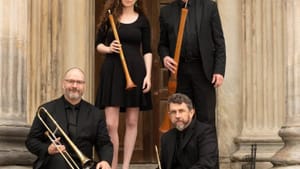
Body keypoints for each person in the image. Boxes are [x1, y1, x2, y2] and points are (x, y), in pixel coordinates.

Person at [95, 0, 152, 169]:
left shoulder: (142, 20)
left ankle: (125, 166)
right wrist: (108, 48)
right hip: (113, 71)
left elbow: (147, 50)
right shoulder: (109, 16)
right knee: (111, 123)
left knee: (132, 121)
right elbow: (98, 45)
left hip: (135, 71)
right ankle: (112, 165)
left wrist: (148, 75)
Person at [25, 67, 113, 169]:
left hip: (84, 164)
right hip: (54, 163)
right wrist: (47, 149)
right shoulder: (46, 109)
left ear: (84, 86)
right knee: (59, 161)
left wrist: (105, 161)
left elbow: (104, 143)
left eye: (79, 82)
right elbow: (31, 141)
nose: (75, 86)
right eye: (71, 81)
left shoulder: (96, 114)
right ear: (63, 84)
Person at [158, 0, 226, 127]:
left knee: (206, 118)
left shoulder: (209, 7)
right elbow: (163, 44)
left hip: (204, 71)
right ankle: (185, 147)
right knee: (182, 119)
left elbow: (219, 42)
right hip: (179, 72)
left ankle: (206, 147)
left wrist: (219, 70)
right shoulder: (166, 12)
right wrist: (165, 57)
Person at [159, 93, 218, 169]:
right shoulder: (166, 137)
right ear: (169, 115)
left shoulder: (206, 132)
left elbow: (207, 164)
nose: (177, 116)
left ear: (191, 112)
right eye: (173, 112)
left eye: (181, 111)